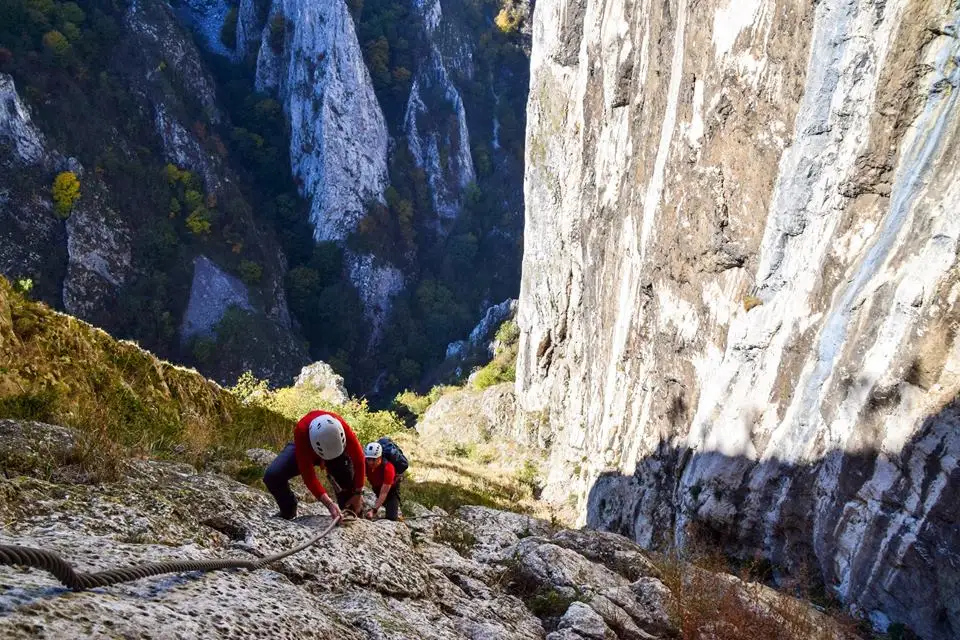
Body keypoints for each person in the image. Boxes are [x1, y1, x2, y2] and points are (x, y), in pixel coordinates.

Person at [263, 410, 365, 521]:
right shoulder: (302, 431)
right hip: (307, 449)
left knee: (348, 487)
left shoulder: (341, 427)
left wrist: (358, 493)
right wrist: (329, 504)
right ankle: (288, 510)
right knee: (273, 476)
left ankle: (354, 512)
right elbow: (309, 477)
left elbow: (359, 461)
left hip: (338, 453)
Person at [363, 441, 402, 521]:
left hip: (391, 491)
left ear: (380, 457)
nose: (370, 462)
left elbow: (384, 493)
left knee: (392, 519)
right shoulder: (365, 463)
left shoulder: (388, 468)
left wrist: (374, 511)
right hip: (376, 488)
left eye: (373, 459)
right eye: (368, 459)